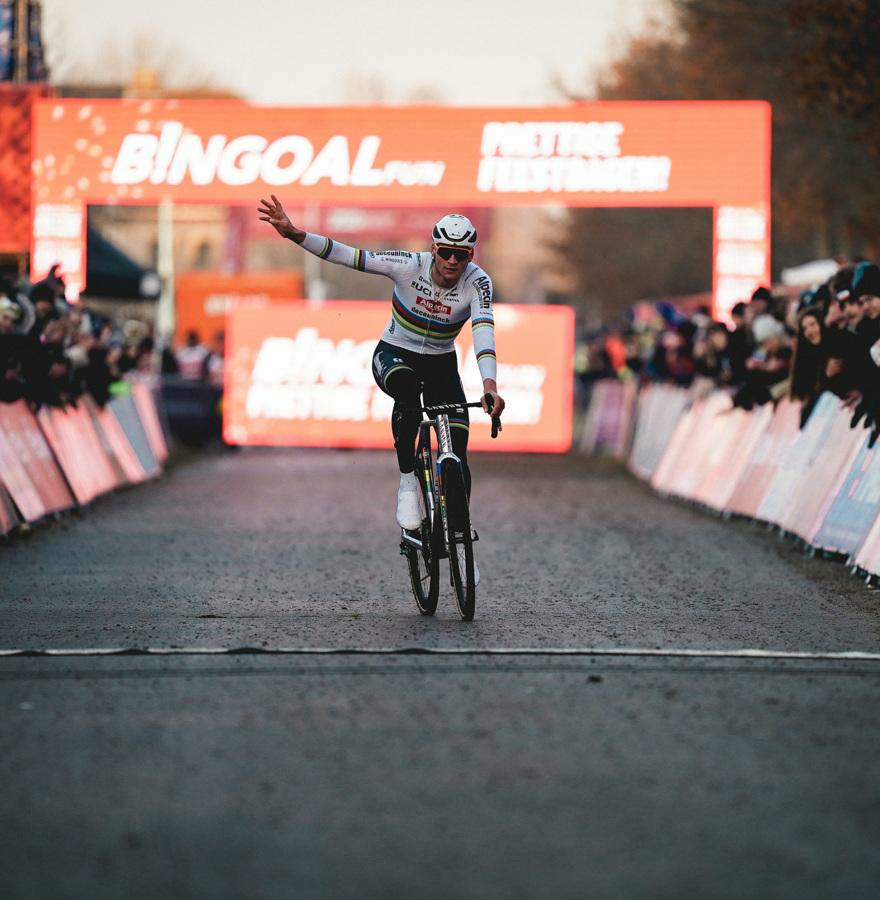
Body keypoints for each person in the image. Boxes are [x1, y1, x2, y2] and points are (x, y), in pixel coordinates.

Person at [258, 194, 504, 572]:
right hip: (395, 355)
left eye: (463, 255)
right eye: (447, 252)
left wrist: (489, 385)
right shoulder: (407, 266)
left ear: (471, 256)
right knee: (407, 391)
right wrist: (294, 234)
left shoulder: (479, 283)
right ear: (433, 249)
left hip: (441, 365)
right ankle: (408, 481)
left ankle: (457, 523)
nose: (453, 261)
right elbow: (350, 256)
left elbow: (483, 330)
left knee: (458, 444)